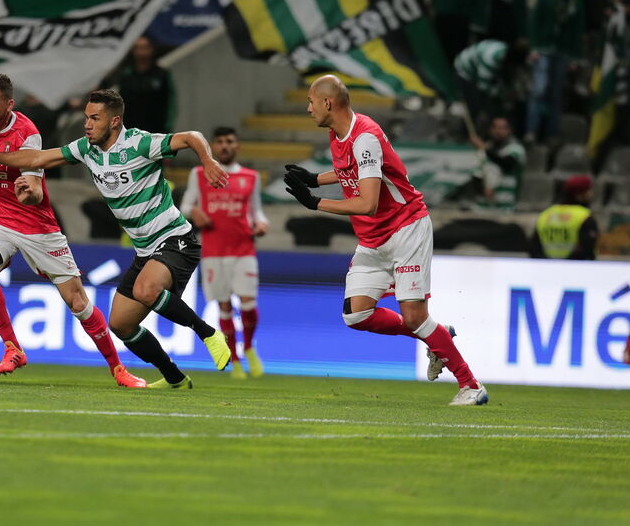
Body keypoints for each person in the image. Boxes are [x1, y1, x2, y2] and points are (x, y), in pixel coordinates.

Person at [0, 89, 232, 389]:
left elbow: (191, 136)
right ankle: (174, 378)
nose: (86, 124)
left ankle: (208, 333)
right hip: (144, 249)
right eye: (86, 117)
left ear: (114, 121)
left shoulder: (140, 143)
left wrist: (207, 161)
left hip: (174, 239)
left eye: (94, 118)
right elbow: (38, 157)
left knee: (146, 289)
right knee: (121, 324)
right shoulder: (86, 149)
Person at [283, 75, 488, 405]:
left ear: (328, 103)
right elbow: (354, 170)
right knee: (356, 314)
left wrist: (316, 202)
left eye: (310, 101)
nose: (307, 108)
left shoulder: (365, 137)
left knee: (414, 316)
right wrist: (315, 179)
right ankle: (438, 338)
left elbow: (368, 203)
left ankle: (471, 385)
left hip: (405, 229)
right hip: (372, 239)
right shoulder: (339, 135)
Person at [0, 74, 145, 388]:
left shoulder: (28, 133)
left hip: (36, 225)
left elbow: (33, 186)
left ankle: (118, 369)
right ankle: (12, 348)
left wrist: (27, 190)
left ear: (9, 103)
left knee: (77, 303)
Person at [179, 126, 269, 379]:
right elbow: (186, 205)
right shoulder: (199, 173)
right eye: (219, 142)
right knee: (224, 306)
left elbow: (257, 211)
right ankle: (236, 359)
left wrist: (262, 224)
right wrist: (195, 212)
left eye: (229, 141)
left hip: (244, 249)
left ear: (237, 145)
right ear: (214, 147)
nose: (225, 146)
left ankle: (249, 346)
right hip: (214, 251)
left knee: (249, 304)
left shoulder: (251, 177)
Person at [527, 0, 586, 143]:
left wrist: (576, 57)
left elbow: (578, 32)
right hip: (543, 49)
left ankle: (552, 134)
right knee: (539, 90)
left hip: (563, 52)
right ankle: (531, 130)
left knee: (556, 94)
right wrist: (533, 47)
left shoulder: (576, 3)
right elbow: (535, 22)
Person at [102, 36, 176, 135]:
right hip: (131, 131)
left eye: (145, 48)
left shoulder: (161, 75)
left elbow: (170, 102)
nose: (141, 52)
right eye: (138, 48)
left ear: (151, 50)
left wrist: (167, 127)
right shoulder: (126, 75)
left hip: (156, 131)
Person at [450, 115, 526, 210]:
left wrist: (484, 148)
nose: (498, 131)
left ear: (509, 130)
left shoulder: (515, 149)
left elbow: (506, 164)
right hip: (482, 207)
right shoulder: (484, 151)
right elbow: (477, 175)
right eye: (495, 127)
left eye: (503, 128)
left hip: (506, 207)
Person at [529, 174, 599, 259]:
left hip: (547, 268)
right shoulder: (584, 216)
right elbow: (587, 251)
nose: (591, 194)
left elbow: (534, 248)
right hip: (575, 269)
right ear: (580, 194)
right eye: (588, 190)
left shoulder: (546, 214)